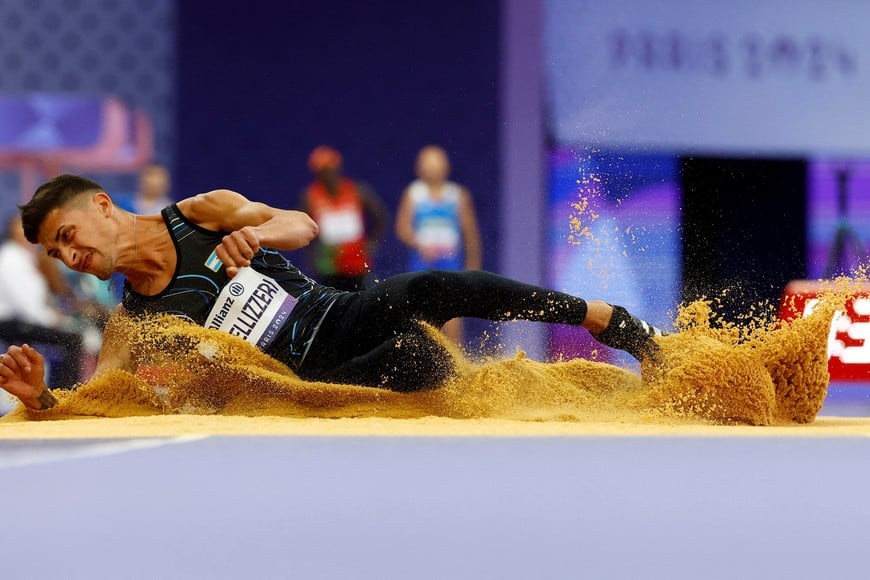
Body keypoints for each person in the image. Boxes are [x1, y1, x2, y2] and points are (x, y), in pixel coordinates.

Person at [0, 174, 668, 412]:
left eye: (65, 234)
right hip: (326, 375)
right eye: (55, 253)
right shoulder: (135, 319)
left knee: (432, 285)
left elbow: (302, 224)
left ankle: (612, 320)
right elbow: (101, 397)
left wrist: (255, 229)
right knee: (427, 367)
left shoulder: (198, 213)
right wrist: (44, 400)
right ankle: (577, 394)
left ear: (102, 204)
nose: (68, 254)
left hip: (337, 313)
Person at [395, 145, 482, 345]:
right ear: (419, 168)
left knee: (452, 325)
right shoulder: (413, 194)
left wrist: (473, 268)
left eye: (437, 163)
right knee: (422, 324)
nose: (433, 168)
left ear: (447, 167)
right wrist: (419, 244)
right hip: (420, 269)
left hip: (452, 269)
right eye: (428, 163)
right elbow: (402, 229)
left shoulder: (458, 195)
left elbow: (471, 235)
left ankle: (456, 372)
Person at [0, 212, 84, 391]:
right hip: (11, 323)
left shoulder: (27, 258)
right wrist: (57, 321)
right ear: (12, 232)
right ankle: (65, 394)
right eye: (21, 229)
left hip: (24, 320)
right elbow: (28, 307)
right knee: (71, 340)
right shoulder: (11, 258)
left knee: (73, 336)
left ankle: (62, 392)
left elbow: (40, 300)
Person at [300, 146, 389, 291]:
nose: (326, 175)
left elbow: (380, 215)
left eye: (329, 169)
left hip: (357, 263)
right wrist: (312, 256)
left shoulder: (356, 190)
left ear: (336, 168)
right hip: (328, 264)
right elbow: (302, 228)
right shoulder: (310, 197)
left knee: (362, 304)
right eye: (321, 171)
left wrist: (373, 241)